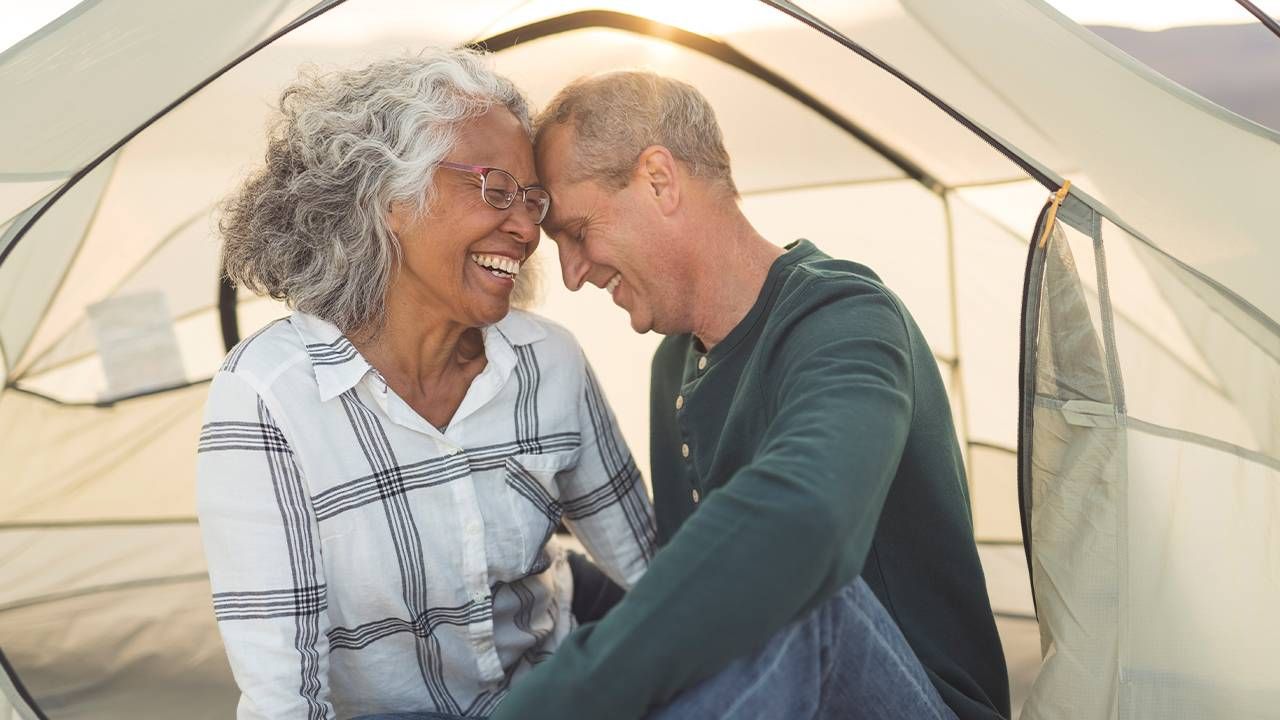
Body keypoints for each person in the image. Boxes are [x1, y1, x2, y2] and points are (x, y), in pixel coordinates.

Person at [491, 71, 1010, 720]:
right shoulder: (672, 368)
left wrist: (562, 697)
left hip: (914, 701)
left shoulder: (844, 315)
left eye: (576, 231)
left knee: (793, 592)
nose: (570, 275)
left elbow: (804, 519)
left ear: (659, 179)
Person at [196, 50, 654, 720]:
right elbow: (284, 699)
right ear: (389, 198)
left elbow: (656, 575)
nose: (527, 229)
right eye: (496, 189)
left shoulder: (548, 362)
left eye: (533, 200)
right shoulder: (269, 397)